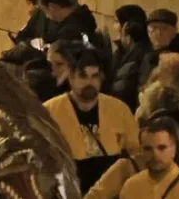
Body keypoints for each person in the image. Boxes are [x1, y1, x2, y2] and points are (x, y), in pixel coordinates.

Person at [43, 50, 140, 192]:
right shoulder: (50, 111)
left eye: (95, 76)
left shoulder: (119, 109)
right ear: (71, 78)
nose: (89, 82)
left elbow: (136, 153)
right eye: (83, 76)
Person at [119, 118, 179, 199]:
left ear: (174, 149)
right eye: (148, 149)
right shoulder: (131, 187)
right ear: (141, 150)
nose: (155, 154)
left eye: (162, 148)